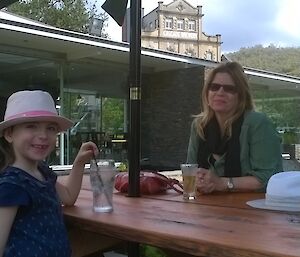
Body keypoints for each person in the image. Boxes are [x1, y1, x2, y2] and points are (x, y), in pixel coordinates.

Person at [0, 90, 98, 257]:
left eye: (51, 128)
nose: (43, 135)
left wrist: (79, 163)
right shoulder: (11, 185)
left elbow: (68, 197)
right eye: (31, 126)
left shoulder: (42, 172)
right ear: (9, 134)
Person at [187, 61, 283, 194]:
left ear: (241, 96)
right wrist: (199, 181)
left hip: (253, 208)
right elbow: (190, 170)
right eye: (214, 87)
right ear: (207, 92)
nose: (220, 92)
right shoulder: (199, 125)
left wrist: (223, 183)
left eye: (229, 89)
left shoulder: (258, 123)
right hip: (207, 206)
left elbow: (266, 179)